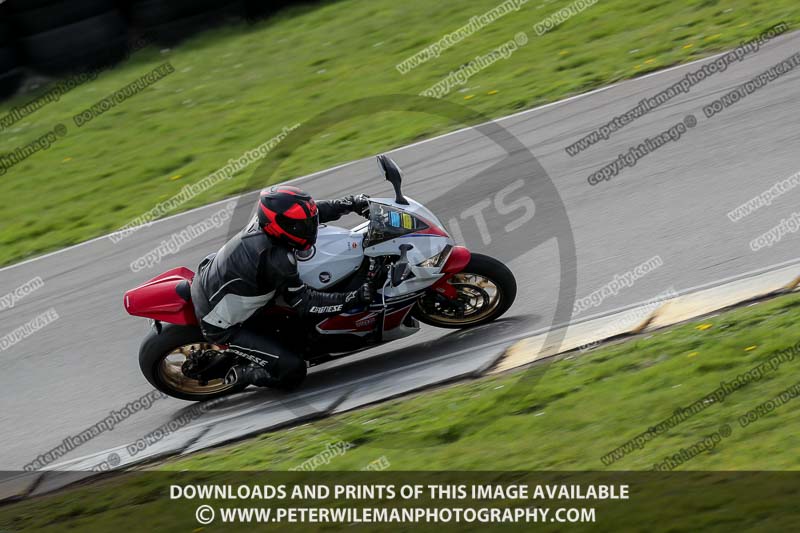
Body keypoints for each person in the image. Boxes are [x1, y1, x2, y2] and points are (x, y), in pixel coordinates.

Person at [190, 185, 372, 390]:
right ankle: (240, 374)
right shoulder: (277, 260)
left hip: (214, 280)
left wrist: (350, 203)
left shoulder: (266, 222)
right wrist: (353, 298)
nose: (308, 228)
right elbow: (306, 303)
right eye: (300, 226)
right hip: (219, 322)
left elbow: (314, 212)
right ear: (281, 226)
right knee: (292, 371)